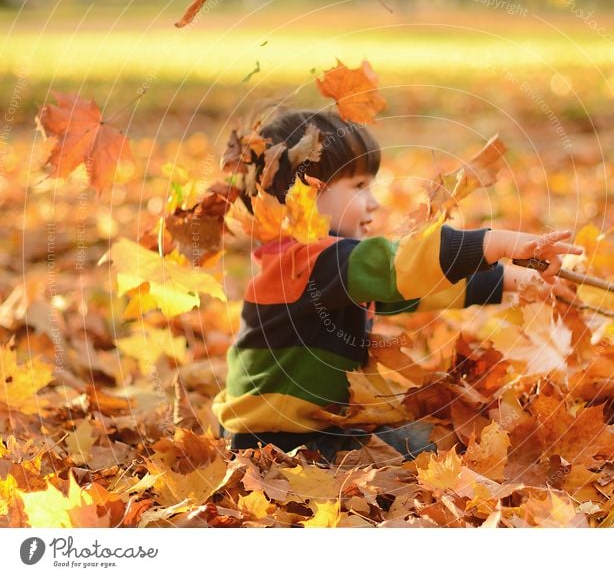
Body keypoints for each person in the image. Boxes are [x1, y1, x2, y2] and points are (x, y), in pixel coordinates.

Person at [212, 108, 583, 464]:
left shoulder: (335, 268)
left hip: (320, 426)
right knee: (433, 456)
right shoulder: (301, 263)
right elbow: (399, 266)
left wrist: (512, 280)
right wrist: (493, 243)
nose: (373, 203)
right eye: (358, 187)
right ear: (303, 194)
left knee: (437, 442)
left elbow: (415, 288)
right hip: (276, 441)